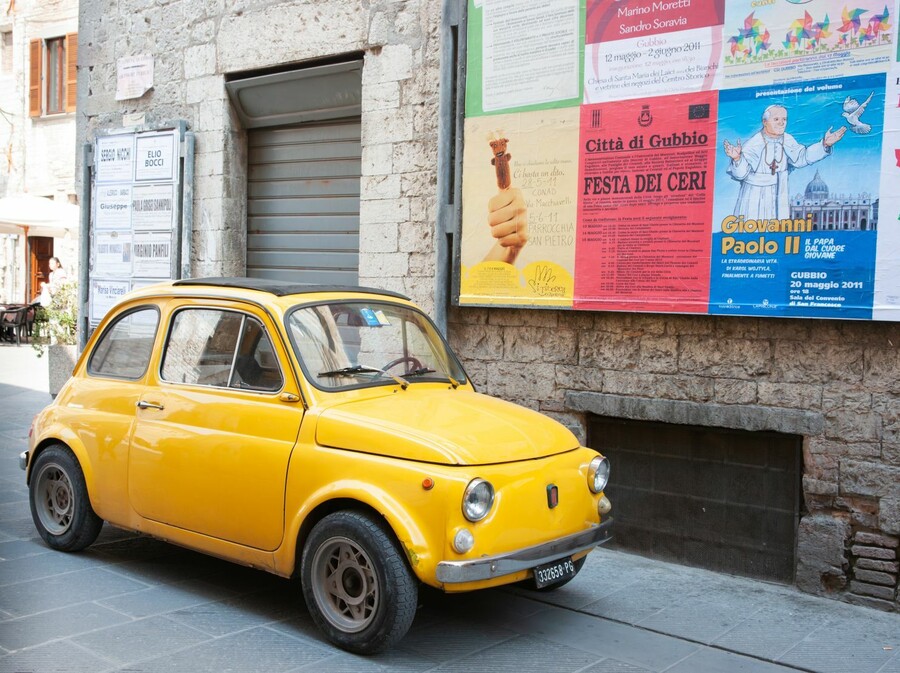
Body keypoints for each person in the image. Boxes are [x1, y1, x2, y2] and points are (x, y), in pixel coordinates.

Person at [722, 105, 846, 220]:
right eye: (776, 119)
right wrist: (737, 158)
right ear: (765, 122)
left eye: (784, 119)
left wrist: (824, 144)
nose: (781, 123)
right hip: (755, 195)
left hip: (779, 193)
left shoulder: (787, 139)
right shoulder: (754, 143)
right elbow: (740, 174)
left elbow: (802, 157)